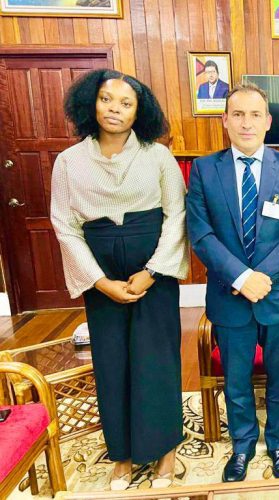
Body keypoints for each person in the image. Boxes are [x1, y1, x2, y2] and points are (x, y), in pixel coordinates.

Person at [51, 69, 189, 491]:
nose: (115, 109)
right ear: (91, 103)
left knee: (158, 361)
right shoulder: (69, 162)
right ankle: (123, 456)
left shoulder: (158, 156)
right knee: (111, 365)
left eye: (126, 103)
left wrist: (152, 272)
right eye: (107, 100)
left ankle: (166, 450)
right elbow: (64, 225)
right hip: (102, 277)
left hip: (154, 273)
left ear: (139, 111)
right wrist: (98, 281)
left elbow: (177, 215)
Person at [186, 82, 279, 482]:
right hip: (229, 296)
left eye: (255, 114)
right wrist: (241, 277)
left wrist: (261, 277)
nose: (246, 122)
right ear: (225, 121)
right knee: (236, 381)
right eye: (237, 114)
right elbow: (200, 233)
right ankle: (242, 446)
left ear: (268, 121)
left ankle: (278, 443)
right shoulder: (205, 169)